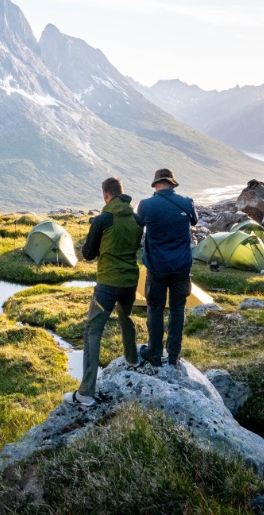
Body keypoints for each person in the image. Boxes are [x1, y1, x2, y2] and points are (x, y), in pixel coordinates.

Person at [64, 177, 144, 407]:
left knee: (92, 330)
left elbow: (88, 253)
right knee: (125, 316)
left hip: (108, 284)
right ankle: (132, 359)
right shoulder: (137, 220)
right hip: (130, 281)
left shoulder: (103, 220)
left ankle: (86, 393)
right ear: (121, 193)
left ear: (106, 195)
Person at [135, 168, 198, 367]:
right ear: (173, 184)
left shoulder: (146, 205)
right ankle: (173, 355)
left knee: (155, 308)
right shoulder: (187, 202)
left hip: (157, 267)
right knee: (178, 309)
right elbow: (194, 220)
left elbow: (138, 227)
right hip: (181, 267)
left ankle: (154, 353)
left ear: (155, 185)